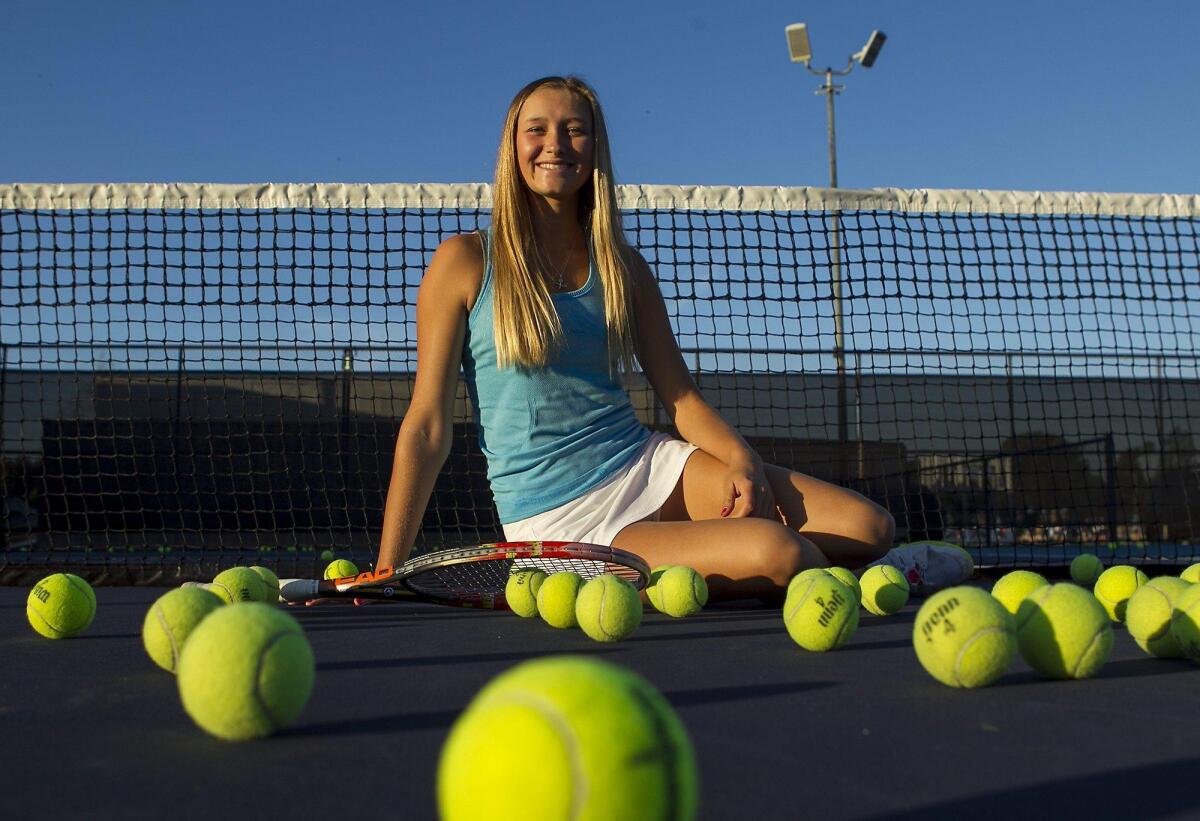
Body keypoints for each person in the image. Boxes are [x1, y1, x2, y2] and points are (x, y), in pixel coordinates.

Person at [374, 75, 971, 602]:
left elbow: (680, 399)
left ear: (595, 149)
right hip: (563, 520)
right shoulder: (464, 261)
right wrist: (387, 565)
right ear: (514, 147)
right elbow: (427, 425)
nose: (555, 143)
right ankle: (859, 581)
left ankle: (878, 567)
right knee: (780, 555)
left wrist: (744, 463)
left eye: (574, 129)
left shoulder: (623, 267)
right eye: (537, 129)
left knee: (869, 528)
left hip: (647, 461)